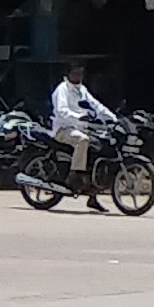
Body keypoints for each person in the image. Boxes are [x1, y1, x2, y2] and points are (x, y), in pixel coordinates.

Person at [47, 62, 120, 210]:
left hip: (82, 128)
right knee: (83, 140)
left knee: (100, 148)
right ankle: (74, 175)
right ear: (68, 74)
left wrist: (113, 118)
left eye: (80, 73)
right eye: (75, 73)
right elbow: (62, 111)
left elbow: (96, 105)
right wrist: (79, 117)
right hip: (64, 129)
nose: (79, 76)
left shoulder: (81, 90)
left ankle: (93, 194)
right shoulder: (62, 90)